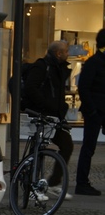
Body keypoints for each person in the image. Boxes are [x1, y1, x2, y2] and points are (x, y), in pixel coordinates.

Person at [24, 40, 73, 200]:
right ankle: (30, 187)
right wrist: (45, 105)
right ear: (58, 53)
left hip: (53, 116)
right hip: (41, 115)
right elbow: (31, 88)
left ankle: (52, 183)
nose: (68, 54)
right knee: (38, 150)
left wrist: (61, 109)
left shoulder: (59, 68)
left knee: (66, 145)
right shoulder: (42, 66)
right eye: (66, 51)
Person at [75, 29, 105, 196]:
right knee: (88, 147)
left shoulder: (98, 61)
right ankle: (82, 183)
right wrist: (92, 110)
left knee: (89, 147)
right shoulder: (94, 62)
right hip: (95, 111)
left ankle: (82, 183)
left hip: (99, 110)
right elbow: (84, 88)